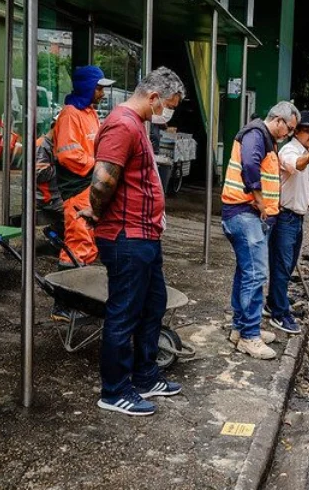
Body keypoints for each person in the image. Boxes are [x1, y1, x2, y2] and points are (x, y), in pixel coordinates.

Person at [77, 67, 184, 416]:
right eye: (167, 106)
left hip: (146, 235)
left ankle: (145, 375)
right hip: (127, 237)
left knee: (153, 305)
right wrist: (94, 211)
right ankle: (115, 390)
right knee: (124, 314)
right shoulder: (123, 125)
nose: (166, 113)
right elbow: (103, 181)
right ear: (153, 98)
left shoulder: (136, 124)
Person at [221, 101, 300, 358]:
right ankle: (249, 336)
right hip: (245, 214)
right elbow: (250, 167)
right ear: (278, 119)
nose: (288, 133)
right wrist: (259, 201)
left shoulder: (265, 137)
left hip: (245, 215)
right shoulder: (257, 134)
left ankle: (240, 327)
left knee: (246, 273)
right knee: (255, 275)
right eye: (288, 128)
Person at [268, 111, 309, 335]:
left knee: (288, 264)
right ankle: (279, 313)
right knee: (281, 266)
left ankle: (275, 300)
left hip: (297, 217)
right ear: (297, 131)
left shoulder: (305, 152)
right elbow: (297, 166)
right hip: (285, 217)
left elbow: (302, 184)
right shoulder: (290, 151)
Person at [53, 65, 114, 268]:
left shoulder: (89, 112)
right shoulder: (70, 114)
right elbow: (67, 154)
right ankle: (65, 291)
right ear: (88, 87)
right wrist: (98, 166)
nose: (102, 93)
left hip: (90, 183)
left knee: (88, 239)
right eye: (99, 88)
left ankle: (77, 286)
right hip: (77, 186)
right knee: (79, 239)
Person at [35, 122, 65, 239]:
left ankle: (57, 230)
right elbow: (40, 174)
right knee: (72, 211)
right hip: (46, 197)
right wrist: (62, 165)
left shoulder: (53, 145)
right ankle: (56, 231)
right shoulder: (41, 145)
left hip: (56, 194)